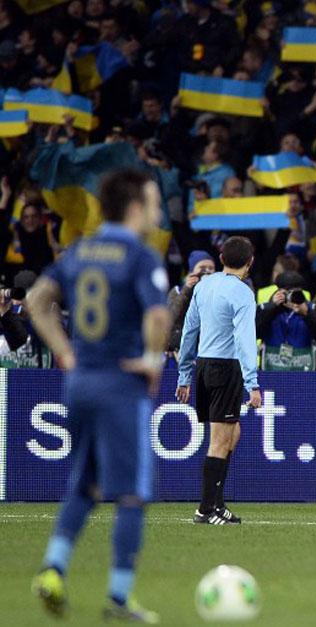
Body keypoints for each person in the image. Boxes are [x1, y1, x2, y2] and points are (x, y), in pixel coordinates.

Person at [28, 168, 171, 622]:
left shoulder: (79, 250)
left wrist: (64, 352)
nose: (159, 210)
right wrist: (151, 359)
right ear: (134, 207)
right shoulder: (141, 255)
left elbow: (36, 300)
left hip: (79, 381)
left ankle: (53, 568)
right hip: (119, 385)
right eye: (153, 201)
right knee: (131, 494)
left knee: (85, 483)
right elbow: (159, 317)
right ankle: (118, 597)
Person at [176, 236, 262, 525]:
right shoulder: (243, 293)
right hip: (226, 368)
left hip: (203, 365)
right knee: (220, 440)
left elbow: (189, 330)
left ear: (222, 258)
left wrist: (185, 374)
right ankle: (205, 509)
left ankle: (218, 503)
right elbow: (245, 340)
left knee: (231, 434)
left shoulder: (203, 285)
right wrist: (253, 383)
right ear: (249, 262)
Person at [166, 250, 215, 354]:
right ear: (192, 271)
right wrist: (187, 289)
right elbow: (171, 318)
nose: (207, 271)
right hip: (180, 348)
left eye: (211, 269)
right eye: (202, 268)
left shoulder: (218, 291)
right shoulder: (178, 291)